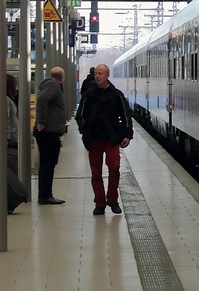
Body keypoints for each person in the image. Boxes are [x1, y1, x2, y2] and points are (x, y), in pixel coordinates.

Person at [75, 64, 133, 216]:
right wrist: (84, 131)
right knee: (96, 173)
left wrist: (127, 135)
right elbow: (79, 116)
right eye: (96, 74)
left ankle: (112, 199)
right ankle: (99, 203)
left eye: (100, 73)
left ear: (107, 75)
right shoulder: (88, 95)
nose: (97, 76)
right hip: (94, 138)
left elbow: (126, 115)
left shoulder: (117, 95)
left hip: (111, 138)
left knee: (114, 167)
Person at [34, 66, 68, 205]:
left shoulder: (48, 84)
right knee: (49, 164)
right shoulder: (53, 85)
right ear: (62, 77)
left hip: (48, 131)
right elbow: (43, 99)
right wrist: (42, 121)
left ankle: (45, 195)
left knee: (46, 164)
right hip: (49, 132)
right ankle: (46, 195)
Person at [5, 73, 20, 172]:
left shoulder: (9, 98)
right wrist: (6, 137)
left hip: (12, 136)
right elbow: (5, 118)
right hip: (10, 137)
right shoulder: (5, 99)